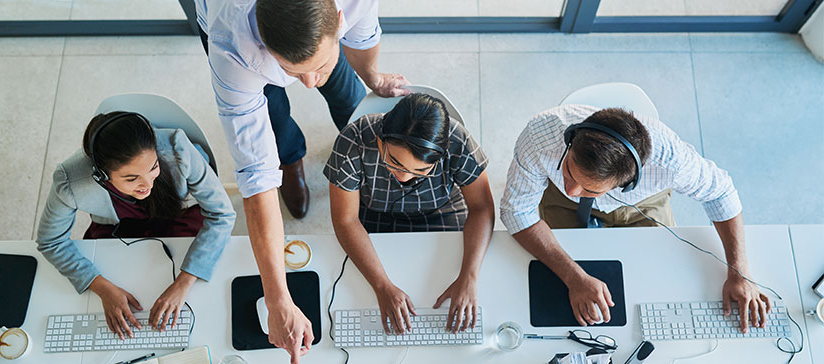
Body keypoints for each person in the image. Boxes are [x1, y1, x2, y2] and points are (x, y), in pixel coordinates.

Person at [193, 0, 410, 359]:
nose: (309, 84)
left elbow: (362, 35)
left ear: (340, 18)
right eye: (294, 72)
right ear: (263, 42)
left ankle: (337, 88)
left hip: (311, 42)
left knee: (346, 89)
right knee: (274, 113)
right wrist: (278, 300)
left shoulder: (353, 4)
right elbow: (257, 177)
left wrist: (373, 77)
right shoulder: (231, 44)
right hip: (239, 38)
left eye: (318, 66)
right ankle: (291, 159)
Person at [500, 105, 770, 332]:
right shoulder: (540, 137)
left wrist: (740, 272)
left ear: (626, 182)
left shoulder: (672, 161)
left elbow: (720, 193)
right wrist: (574, 277)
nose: (573, 189)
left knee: (657, 281)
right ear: (570, 141)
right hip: (559, 202)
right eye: (569, 170)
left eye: (589, 188)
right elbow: (517, 212)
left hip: (642, 204)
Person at [36, 112, 236, 340]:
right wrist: (101, 287)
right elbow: (51, 241)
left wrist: (184, 282)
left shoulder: (177, 147)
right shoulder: (69, 180)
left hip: (177, 216)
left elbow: (222, 214)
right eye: (131, 179)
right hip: (119, 226)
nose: (147, 184)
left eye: (153, 167)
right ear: (102, 175)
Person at [325, 93, 494, 335]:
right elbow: (345, 219)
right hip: (375, 213)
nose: (404, 177)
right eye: (394, 162)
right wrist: (382, 286)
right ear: (381, 141)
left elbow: (482, 207)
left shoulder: (458, 140)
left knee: (443, 280)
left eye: (421, 170)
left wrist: (470, 276)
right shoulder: (353, 140)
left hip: (441, 210)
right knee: (360, 293)